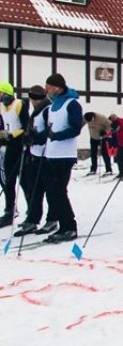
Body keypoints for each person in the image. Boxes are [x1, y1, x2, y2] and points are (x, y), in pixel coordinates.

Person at [41, 73, 83, 243]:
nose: (47, 90)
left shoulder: (71, 104)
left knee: (59, 192)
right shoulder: (52, 106)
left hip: (65, 155)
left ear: (58, 87)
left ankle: (69, 227)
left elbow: (75, 128)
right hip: (51, 154)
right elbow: (50, 128)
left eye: (49, 87)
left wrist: (57, 136)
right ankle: (63, 226)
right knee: (53, 192)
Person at [14, 86, 54, 236]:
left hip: (46, 156)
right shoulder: (36, 111)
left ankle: (53, 219)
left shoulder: (47, 110)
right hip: (34, 155)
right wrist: (27, 136)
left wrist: (35, 138)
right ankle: (32, 219)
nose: (31, 101)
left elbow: (48, 132)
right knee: (33, 189)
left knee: (50, 190)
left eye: (33, 98)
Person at [0, 82, 29, 228]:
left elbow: (25, 126)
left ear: (7, 94)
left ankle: (31, 212)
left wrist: (11, 135)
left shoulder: (20, 104)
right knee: (8, 181)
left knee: (24, 181)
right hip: (8, 146)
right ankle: (9, 211)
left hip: (19, 145)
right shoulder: (1, 107)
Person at [83, 112, 114, 176]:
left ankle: (109, 170)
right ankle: (93, 169)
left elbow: (110, 125)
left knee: (105, 153)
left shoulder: (101, 118)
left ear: (93, 117)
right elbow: (81, 124)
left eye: (91, 120)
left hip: (102, 138)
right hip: (93, 137)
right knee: (93, 154)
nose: (90, 122)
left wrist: (105, 132)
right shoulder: (86, 118)